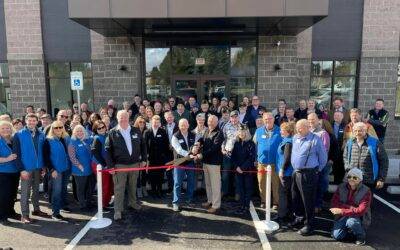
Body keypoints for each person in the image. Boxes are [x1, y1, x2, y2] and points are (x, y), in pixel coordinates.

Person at [105, 110, 147, 221]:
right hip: (120, 166)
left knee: (133, 185)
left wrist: (144, 159)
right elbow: (107, 150)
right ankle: (118, 210)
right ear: (117, 119)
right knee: (119, 188)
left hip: (134, 164)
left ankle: (132, 203)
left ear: (129, 118)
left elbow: (143, 145)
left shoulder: (136, 130)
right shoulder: (112, 133)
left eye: (125, 118)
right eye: (121, 118)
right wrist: (110, 166)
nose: (123, 120)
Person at [289, 119, 327, 236]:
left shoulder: (315, 140)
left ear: (307, 127)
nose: (298, 130)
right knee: (296, 198)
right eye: (297, 128)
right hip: (296, 172)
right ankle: (299, 218)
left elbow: (323, 159)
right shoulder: (295, 138)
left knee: (308, 200)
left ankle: (309, 225)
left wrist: (316, 171)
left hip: (308, 174)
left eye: (300, 128)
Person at [14, 113, 48, 224]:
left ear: (37, 121)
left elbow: (42, 152)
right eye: (30, 120)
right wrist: (21, 169)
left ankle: (36, 210)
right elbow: (16, 154)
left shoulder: (41, 134)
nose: (32, 122)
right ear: (26, 121)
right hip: (26, 168)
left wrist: (43, 166)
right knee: (25, 192)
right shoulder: (19, 135)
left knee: (36, 190)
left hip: (38, 167)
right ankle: (24, 215)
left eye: (34, 120)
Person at [330, 168, 371, 245]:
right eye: (349, 177)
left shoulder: (366, 191)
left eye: (355, 178)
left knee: (351, 222)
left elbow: (361, 211)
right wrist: (351, 208)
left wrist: (342, 210)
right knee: (336, 236)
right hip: (343, 215)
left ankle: (361, 236)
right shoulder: (341, 187)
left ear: (360, 179)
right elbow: (334, 203)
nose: (351, 179)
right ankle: (351, 231)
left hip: (358, 217)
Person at [343, 122, 388, 190]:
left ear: (366, 131)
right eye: (355, 131)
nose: (357, 133)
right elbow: (345, 157)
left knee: (366, 200)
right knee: (352, 200)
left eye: (360, 130)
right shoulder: (350, 142)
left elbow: (384, 161)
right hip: (353, 179)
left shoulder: (375, 143)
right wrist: (347, 168)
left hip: (368, 180)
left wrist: (381, 179)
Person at [253, 112, 282, 209]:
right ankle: (264, 201)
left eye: (270, 119)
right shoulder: (258, 131)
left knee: (275, 184)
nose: (268, 121)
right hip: (262, 163)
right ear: (263, 120)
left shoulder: (280, 130)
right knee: (261, 183)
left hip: (275, 163)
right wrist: (256, 159)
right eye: (265, 119)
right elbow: (255, 146)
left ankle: (276, 202)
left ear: (273, 119)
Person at [44, 121, 71, 221]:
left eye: (60, 127)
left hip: (66, 168)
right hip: (56, 170)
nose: (58, 129)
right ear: (52, 129)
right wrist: (52, 169)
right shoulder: (48, 140)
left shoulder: (65, 138)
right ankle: (55, 213)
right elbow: (46, 157)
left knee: (63, 189)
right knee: (57, 191)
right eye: (56, 128)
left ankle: (62, 206)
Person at [171, 118, 198, 212]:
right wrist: (189, 154)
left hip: (190, 162)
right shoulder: (175, 136)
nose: (183, 127)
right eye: (181, 125)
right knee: (178, 183)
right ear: (178, 126)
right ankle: (176, 202)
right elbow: (178, 150)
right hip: (179, 162)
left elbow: (197, 144)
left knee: (191, 181)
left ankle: (189, 199)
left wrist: (196, 148)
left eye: (185, 125)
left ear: (188, 125)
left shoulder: (193, 134)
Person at [200, 115, 224, 214]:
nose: (210, 122)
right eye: (209, 120)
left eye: (213, 121)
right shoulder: (206, 130)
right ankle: (209, 200)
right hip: (206, 162)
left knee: (215, 185)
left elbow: (214, 148)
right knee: (208, 184)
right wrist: (198, 144)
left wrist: (201, 154)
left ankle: (216, 205)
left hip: (214, 163)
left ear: (217, 122)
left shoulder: (219, 133)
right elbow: (202, 141)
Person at [307, 113, 330, 213]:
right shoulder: (307, 132)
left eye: (313, 120)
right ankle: (312, 204)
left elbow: (324, 151)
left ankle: (318, 204)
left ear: (317, 120)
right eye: (309, 120)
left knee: (319, 185)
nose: (311, 122)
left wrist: (319, 167)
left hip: (319, 165)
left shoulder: (323, 133)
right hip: (309, 165)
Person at [231, 124, 256, 215]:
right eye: (240, 131)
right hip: (238, 170)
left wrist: (242, 168)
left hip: (247, 170)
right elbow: (233, 157)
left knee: (248, 188)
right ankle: (241, 205)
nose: (241, 133)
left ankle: (246, 206)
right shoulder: (237, 143)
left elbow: (251, 158)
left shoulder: (250, 143)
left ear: (247, 132)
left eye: (243, 131)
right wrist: (237, 167)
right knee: (240, 188)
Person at [68, 125, 94, 211]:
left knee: (89, 188)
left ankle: (89, 204)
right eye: (77, 131)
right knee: (81, 189)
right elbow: (72, 157)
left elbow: (94, 136)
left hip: (89, 169)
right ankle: (83, 205)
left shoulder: (87, 140)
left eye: (81, 131)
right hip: (79, 170)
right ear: (74, 132)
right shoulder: (72, 142)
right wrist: (79, 166)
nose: (79, 133)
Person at [144, 115, 170, 198]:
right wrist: (146, 157)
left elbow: (166, 144)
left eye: (157, 122)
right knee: (152, 176)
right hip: (151, 159)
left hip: (160, 158)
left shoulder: (162, 131)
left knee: (160, 175)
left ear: (159, 123)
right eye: (154, 122)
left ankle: (159, 191)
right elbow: (144, 146)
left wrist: (165, 157)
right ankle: (153, 191)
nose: (156, 124)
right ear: (152, 122)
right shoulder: (147, 132)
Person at [0, 121, 19, 225]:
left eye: (7, 128)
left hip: (15, 171)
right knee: (4, 195)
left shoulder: (12, 139)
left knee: (12, 194)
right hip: (3, 172)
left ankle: (10, 212)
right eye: (3, 128)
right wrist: (7, 159)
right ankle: (2, 216)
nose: (5, 130)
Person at [91, 120, 113, 210]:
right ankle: (103, 205)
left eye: (103, 127)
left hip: (106, 164)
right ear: (96, 129)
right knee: (104, 185)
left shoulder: (107, 135)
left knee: (108, 185)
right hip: (99, 165)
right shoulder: (97, 138)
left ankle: (106, 202)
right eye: (99, 128)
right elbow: (95, 152)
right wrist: (104, 165)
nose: (101, 129)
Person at [276, 122, 295, 223]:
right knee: (286, 194)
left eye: (282, 130)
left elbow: (287, 158)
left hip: (286, 173)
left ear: (287, 131)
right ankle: (286, 214)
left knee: (283, 193)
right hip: (285, 172)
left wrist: (282, 169)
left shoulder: (288, 142)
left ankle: (282, 216)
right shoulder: (286, 140)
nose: (280, 131)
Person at [221, 110, 241, 200]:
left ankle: (237, 193)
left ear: (238, 117)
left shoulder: (243, 126)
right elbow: (223, 138)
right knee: (225, 174)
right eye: (232, 117)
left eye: (236, 117)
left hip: (238, 154)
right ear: (230, 118)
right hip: (227, 153)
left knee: (237, 175)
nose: (234, 119)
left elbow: (246, 139)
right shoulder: (226, 126)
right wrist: (222, 149)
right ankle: (224, 191)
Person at [133, 115, 149, 198]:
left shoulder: (147, 131)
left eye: (143, 122)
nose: (142, 123)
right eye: (140, 122)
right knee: (137, 175)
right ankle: (138, 189)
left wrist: (146, 156)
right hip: (136, 156)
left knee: (144, 174)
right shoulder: (133, 131)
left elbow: (148, 144)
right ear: (137, 122)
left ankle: (143, 188)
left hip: (145, 156)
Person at [164, 111, 178, 193]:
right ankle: (170, 187)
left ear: (173, 117)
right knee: (168, 170)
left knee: (176, 170)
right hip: (167, 152)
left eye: (170, 117)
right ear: (165, 118)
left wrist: (173, 145)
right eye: (167, 117)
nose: (169, 119)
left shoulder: (178, 126)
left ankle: (177, 188)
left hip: (176, 151)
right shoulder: (163, 127)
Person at [331, 111, 346, 183]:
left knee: (341, 165)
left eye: (338, 115)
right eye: (335, 115)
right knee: (334, 165)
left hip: (341, 149)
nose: (336, 117)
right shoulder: (330, 125)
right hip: (333, 149)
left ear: (342, 117)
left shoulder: (345, 125)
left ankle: (340, 181)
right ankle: (336, 180)